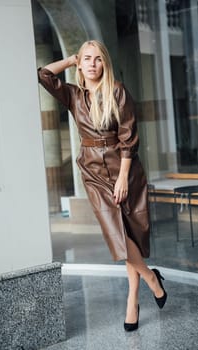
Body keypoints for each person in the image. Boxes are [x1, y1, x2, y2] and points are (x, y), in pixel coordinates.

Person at [38, 40, 167, 331]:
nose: (92, 64)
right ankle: (150, 278)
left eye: (98, 59)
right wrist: (70, 60)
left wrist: (122, 176)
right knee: (115, 233)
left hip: (124, 168)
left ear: (104, 63)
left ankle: (132, 298)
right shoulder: (72, 94)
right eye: (87, 59)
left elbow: (129, 137)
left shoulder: (117, 91)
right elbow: (44, 75)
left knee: (128, 233)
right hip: (93, 171)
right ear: (80, 63)